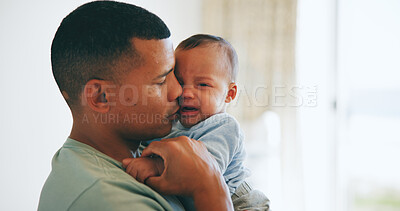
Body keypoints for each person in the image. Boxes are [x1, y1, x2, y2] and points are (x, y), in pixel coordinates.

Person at [38, 1, 233, 210]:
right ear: (102, 97)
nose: (179, 92)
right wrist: (209, 185)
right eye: (161, 81)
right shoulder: (110, 199)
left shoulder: (135, 150)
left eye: (174, 73)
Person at [123, 34, 270, 211]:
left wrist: (155, 165)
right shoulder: (173, 120)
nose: (186, 93)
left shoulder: (224, 126)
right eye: (180, 82)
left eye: (202, 85)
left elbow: (202, 166)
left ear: (229, 94)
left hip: (240, 202)